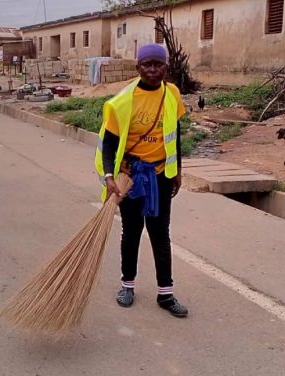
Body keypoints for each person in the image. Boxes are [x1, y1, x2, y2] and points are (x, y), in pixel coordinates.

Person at [94, 44, 188, 318]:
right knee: (132, 232)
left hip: (160, 176)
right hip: (131, 179)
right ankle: (127, 285)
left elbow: (175, 133)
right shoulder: (123, 102)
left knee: (161, 233)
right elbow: (109, 144)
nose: (152, 69)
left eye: (158, 64)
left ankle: (166, 293)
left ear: (166, 68)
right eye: (147, 64)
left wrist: (178, 170)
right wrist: (110, 176)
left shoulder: (172, 94)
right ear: (138, 68)